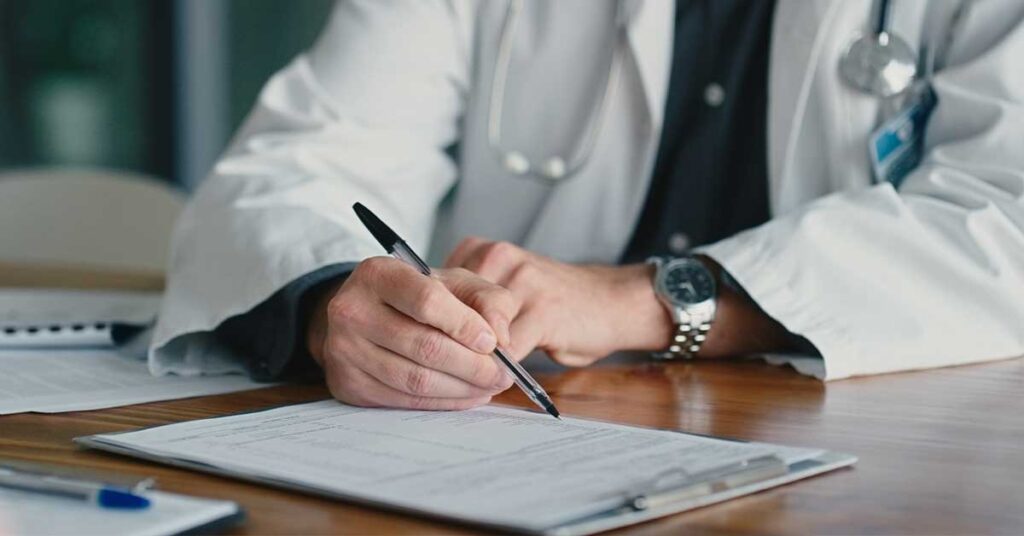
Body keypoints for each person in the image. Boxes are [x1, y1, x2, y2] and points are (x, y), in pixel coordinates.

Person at [151, 0, 1024, 411]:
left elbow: (1004, 217)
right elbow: (296, 162)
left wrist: (640, 299)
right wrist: (339, 303)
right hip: (522, 440)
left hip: (881, 451)